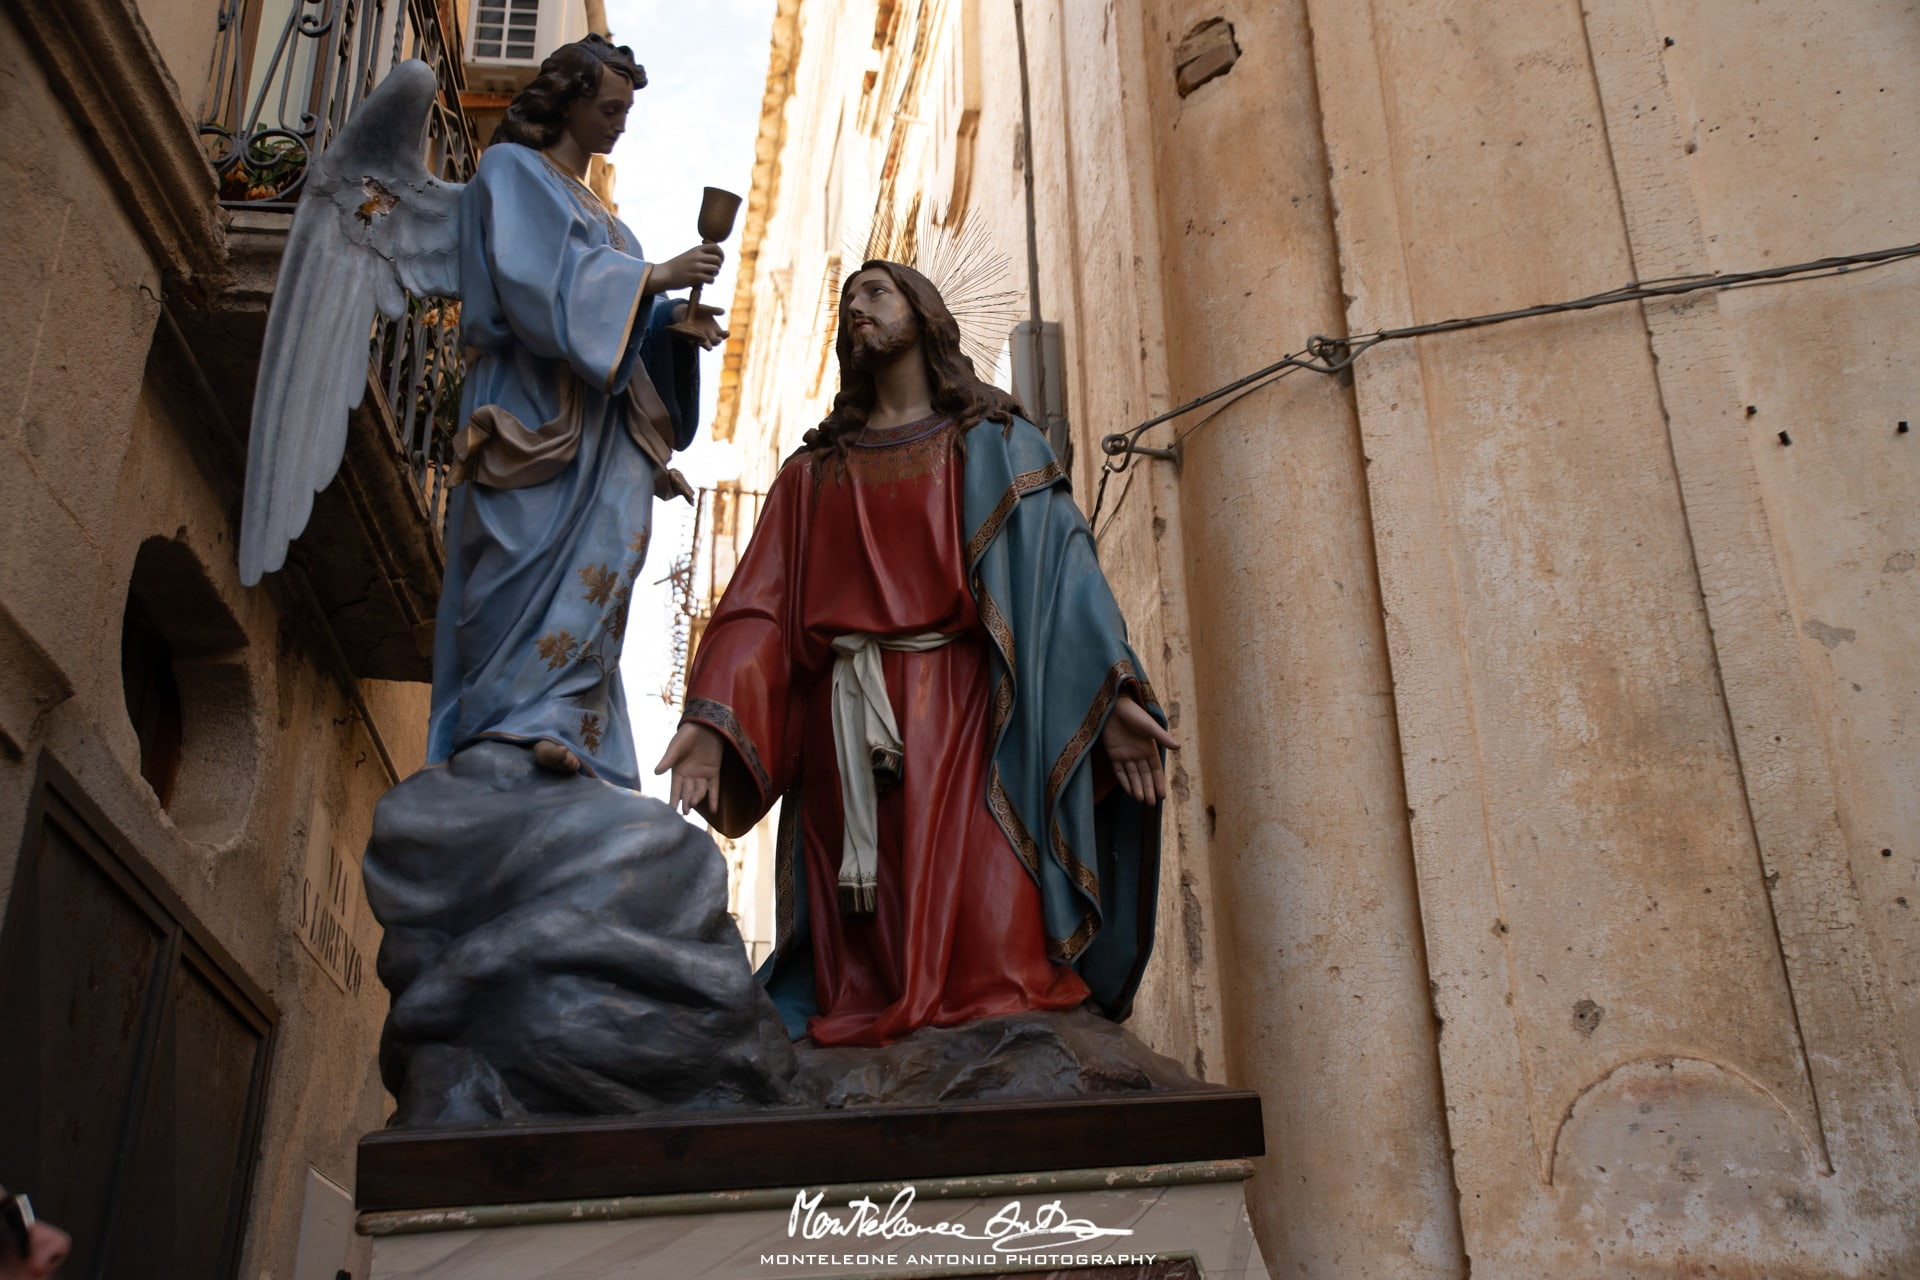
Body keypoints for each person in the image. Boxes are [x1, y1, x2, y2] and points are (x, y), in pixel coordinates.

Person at [656, 260, 1179, 1047]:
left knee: (999, 947)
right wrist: (713, 720)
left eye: (876, 292)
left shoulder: (997, 444)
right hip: (851, 734)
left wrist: (1111, 702)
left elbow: (1064, 576)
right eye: (848, 300)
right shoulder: (813, 474)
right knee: (868, 957)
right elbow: (757, 611)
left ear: (923, 314)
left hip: (973, 720)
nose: (857, 308)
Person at [427, 34, 727, 786]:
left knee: (596, 578)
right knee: (514, 570)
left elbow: (620, 332)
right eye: (609, 107)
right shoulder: (510, 172)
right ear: (568, 100)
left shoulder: (611, 224)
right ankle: (501, 727)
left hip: (597, 438)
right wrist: (655, 277)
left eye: (627, 109)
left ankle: (559, 726)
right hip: (527, 418)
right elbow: (534, 291)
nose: (620, 122)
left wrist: (671, 331)